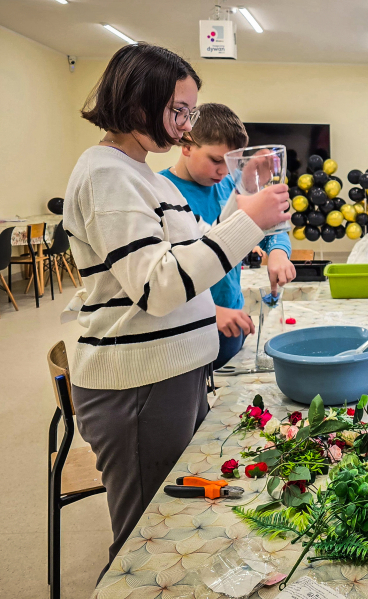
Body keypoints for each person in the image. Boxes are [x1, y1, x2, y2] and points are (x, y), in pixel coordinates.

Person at [63, 43, 290, 575]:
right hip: (139, 384)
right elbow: (160, 287)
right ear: (137, 103)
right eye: (178, 111)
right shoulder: (106, 173)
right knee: (148, 536)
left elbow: (198, 249)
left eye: (189, 112)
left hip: (169, 373)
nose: (186, 127)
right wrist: (252, 220)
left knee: (176, 520)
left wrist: (243, 204)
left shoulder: (138, 172)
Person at [160, 103, 295, 369]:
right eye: (215, 160)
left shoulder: (229, 187)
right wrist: (211, 312)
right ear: (186, 145)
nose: (224, 171)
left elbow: (270, 229)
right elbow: (161, 280)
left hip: (233, 327)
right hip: (188, 336)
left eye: (231, 162)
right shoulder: (163, 193)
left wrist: (278, 252)